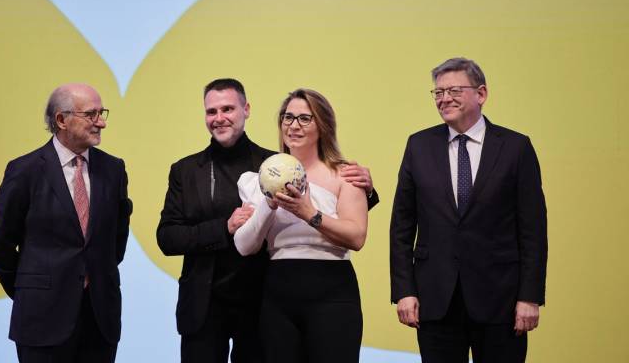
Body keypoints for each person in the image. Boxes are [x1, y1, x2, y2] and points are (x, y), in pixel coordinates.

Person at [156, 79, 378, 363]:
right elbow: (168, 237)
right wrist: (225, 227)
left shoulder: (276, 166)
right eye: (211, 111)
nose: (219, 118)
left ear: (246, 109)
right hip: (206, 304)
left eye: (228, 109)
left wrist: (367, 189)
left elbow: (339, 208)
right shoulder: (186, 170)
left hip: (259, 301)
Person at [390, 58, 548, 363]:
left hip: (501, 301)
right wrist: (404, 291)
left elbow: (533, 230)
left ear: (481, 94)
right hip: (435, 301)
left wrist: (530, 297)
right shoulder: (419, 146)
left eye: (453, 90)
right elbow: (401, 227)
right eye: (437, 92)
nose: (444, 99)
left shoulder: (516, 148)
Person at [0, 83, 132, 363]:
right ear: (61, 120)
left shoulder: (114, 170)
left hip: (100, 320)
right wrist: (31, 290)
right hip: (41, 321)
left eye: (102, 113)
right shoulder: (24, 171)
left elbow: (116, 239)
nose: (101, 122)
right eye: (91, 114)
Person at [234, 88, 369, 363]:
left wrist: (310, 214)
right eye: (288, 117)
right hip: (278, 291)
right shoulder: (258, 178)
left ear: (323, 125)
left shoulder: (346, 175)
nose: (293, 125)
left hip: (332, 289)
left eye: (305, 119)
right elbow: (245, 245)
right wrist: (268, 204)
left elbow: (356, 237)